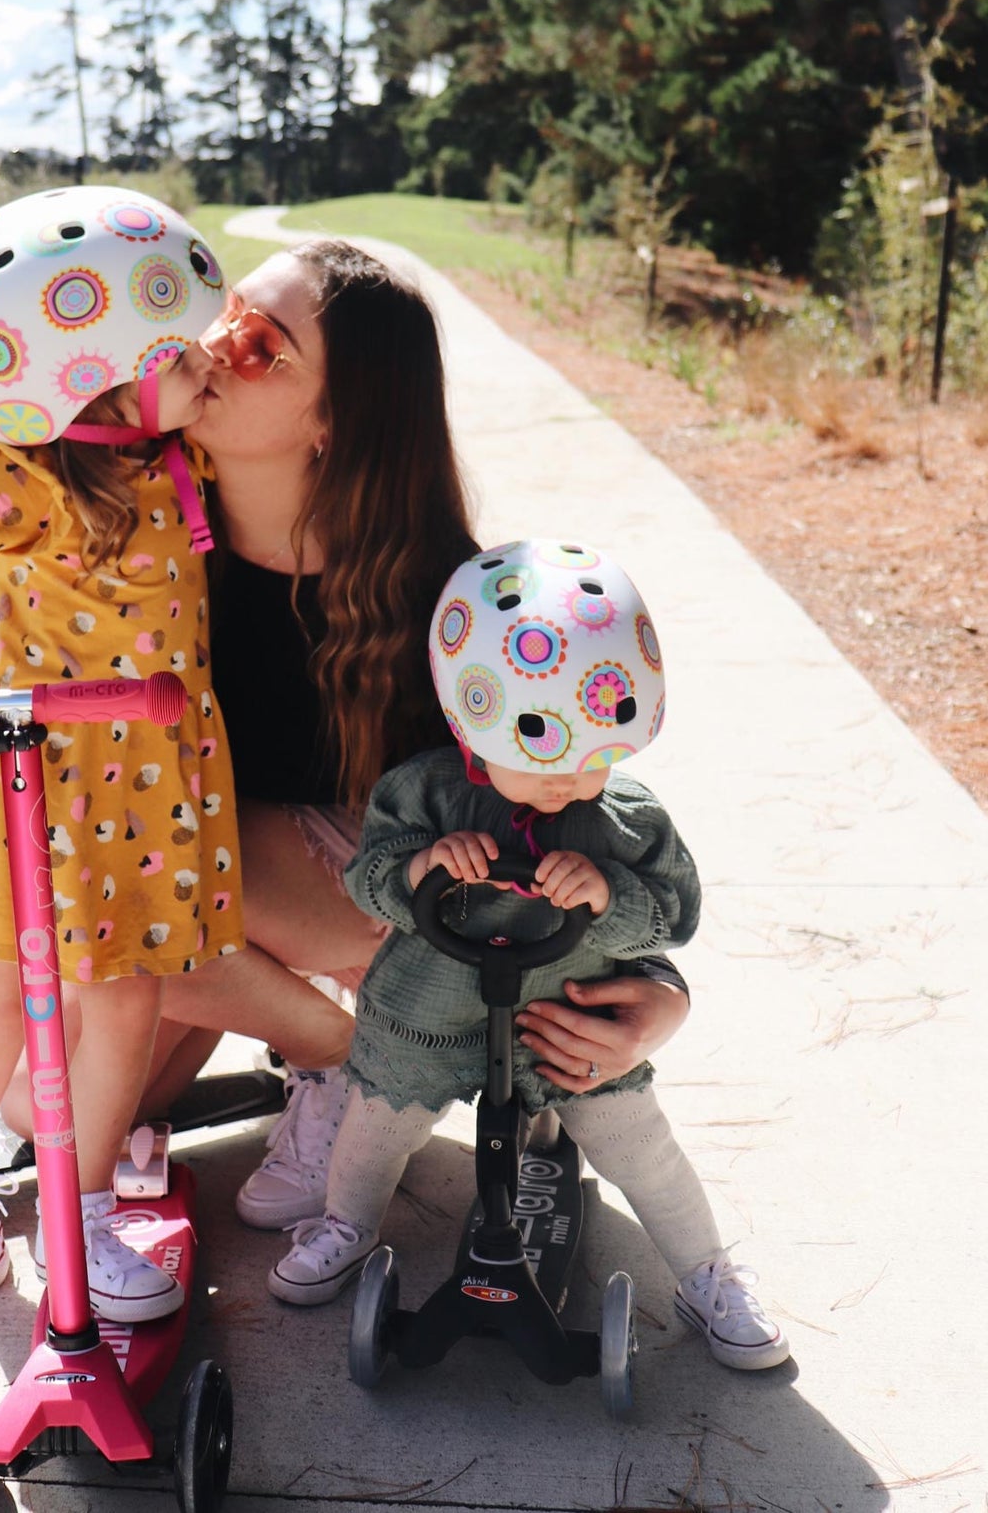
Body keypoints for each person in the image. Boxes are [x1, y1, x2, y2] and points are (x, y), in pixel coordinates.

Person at [118, 241, 696, 1234]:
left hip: (378, 896)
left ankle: (367, 1044)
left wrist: (655, 993)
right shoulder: (135, 512)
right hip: (210, 887)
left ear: (331, 423)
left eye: (258, 344)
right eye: (221, 309)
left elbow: (563, 815)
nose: (210, 345)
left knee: (141, 876)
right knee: (70, 1103)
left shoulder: (454, 603)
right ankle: (344, 1050)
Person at [0, 185, 243, 1322]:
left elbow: (252, 403)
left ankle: (85, 1207)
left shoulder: (180, 459)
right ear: (96, 376)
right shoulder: (19, 481)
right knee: (1, 997)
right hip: (34, 773)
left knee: (127, 1005)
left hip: (157, 783)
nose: (205, 361)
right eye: (180, 351)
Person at [267, 540, 790, 1371]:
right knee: (374, 1132)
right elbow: (368, 883)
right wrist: (422, 869)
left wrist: (608, 895)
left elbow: (672, 916)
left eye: (593, 764)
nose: (567, 786)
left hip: (565, 1026)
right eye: (545, 764)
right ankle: (345, 1226)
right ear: (473, 726)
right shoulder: (426, 792)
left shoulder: (623, 817)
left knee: (640, 1146)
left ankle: (707, 1272)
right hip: (426, 1022)